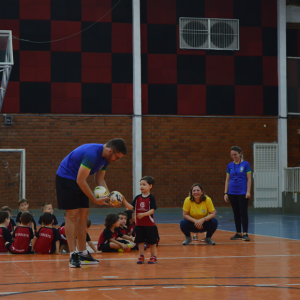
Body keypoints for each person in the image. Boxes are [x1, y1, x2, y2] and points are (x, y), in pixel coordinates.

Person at [56, 138, 127, 268]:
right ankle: (73, 254)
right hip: (66, 178)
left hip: (79, 180)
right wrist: (94, 200)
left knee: (84, 215)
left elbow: (100, 179)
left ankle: (83, 253)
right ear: (110, 151)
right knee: (72, 215)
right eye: (117, 157)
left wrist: (110, 196)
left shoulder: (106, 158)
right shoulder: (91, 154)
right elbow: (80, 180)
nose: (117, 160)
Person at [122, 176, 159, 264]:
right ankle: (141, 256)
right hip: (139, 225)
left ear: (150, 186)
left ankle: (153, 257)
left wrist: (143, 214)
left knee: (152, 242)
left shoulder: (151, 198)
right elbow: (131, 207)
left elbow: (152, 210)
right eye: (140, 184)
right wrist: (124, 200)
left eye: (144, 184)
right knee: (140, 242)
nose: (141, 186)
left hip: (149, 225)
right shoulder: (137, 197)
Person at [224, 146, 252, 241]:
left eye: (235, 154)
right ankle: (238, 233)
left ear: (240, 153)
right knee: (236, 213)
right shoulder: (229, 165)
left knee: (243, 212)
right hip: (232, 192)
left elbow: (249, 179)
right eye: (232, 155)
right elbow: (227, 180)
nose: (233, 156)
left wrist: (248, 191)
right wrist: (225, 193)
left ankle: (245, 233)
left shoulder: (246, 164)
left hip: (242, 192)